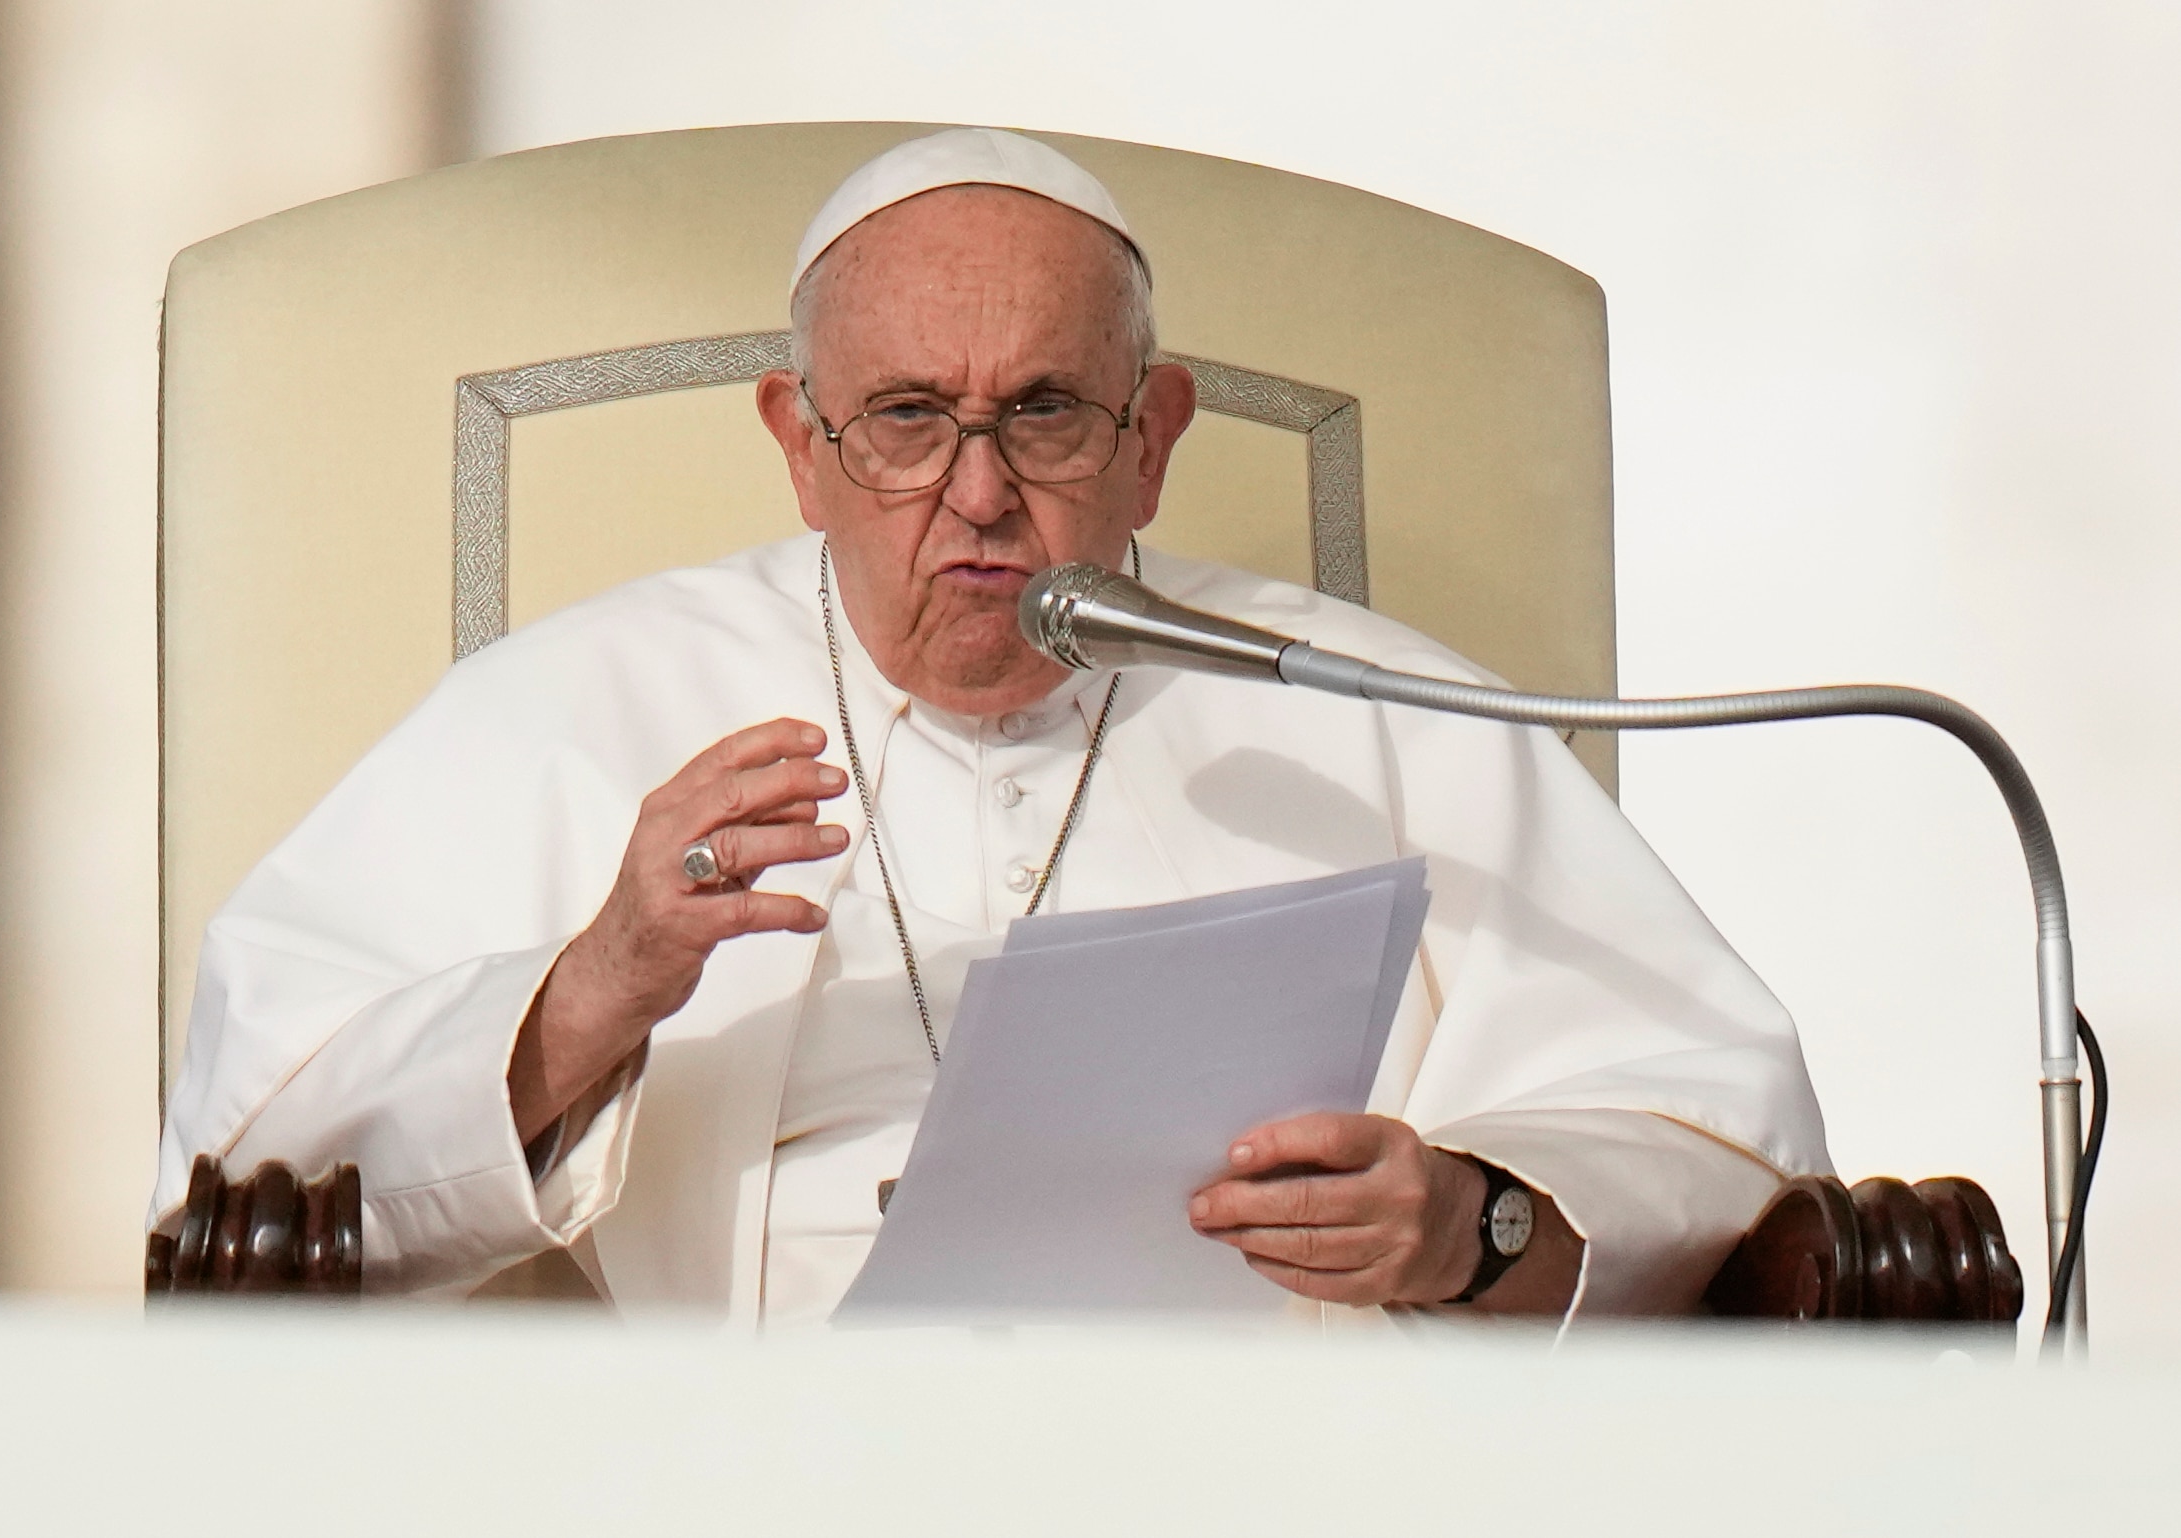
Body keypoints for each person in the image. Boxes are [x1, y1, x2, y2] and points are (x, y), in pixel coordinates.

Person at [152, 128, 1829, 1323]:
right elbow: (247, 1174)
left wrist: (1472, 1223)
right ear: (798, 444)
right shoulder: (581, 702)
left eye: (1045, 413)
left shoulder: (1376, 710)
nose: (977, 494)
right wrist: (599, 983)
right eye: (903, 419)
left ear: (1152, 438)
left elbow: (1713, 1143)